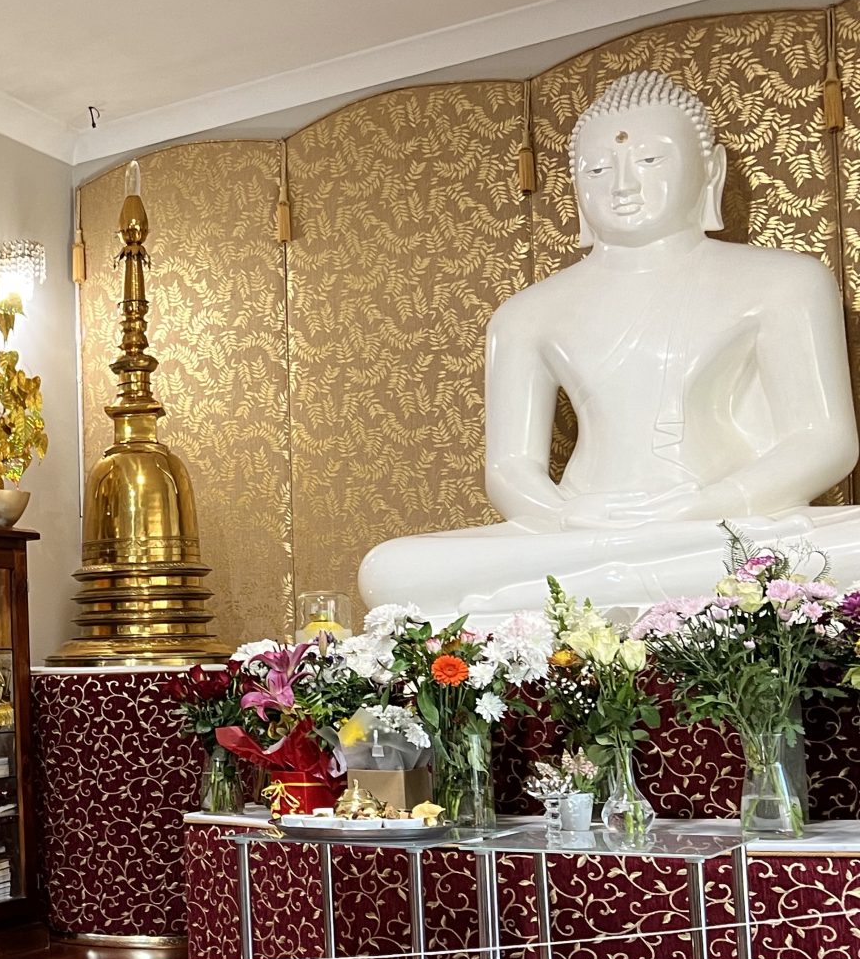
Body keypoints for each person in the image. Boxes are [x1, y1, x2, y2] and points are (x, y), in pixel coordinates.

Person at [359, 70, 859, 623]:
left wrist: (705, 506)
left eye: (650, 160)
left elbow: (824, 441)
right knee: (390, 569)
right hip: (580, 530)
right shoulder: (526, 313)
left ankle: (585, 593)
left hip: (720, 529)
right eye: (597, 169)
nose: (623, 185)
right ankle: (617, 584)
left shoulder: (785, 281)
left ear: (710, 169)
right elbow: (510, 469)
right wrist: (564, 517)